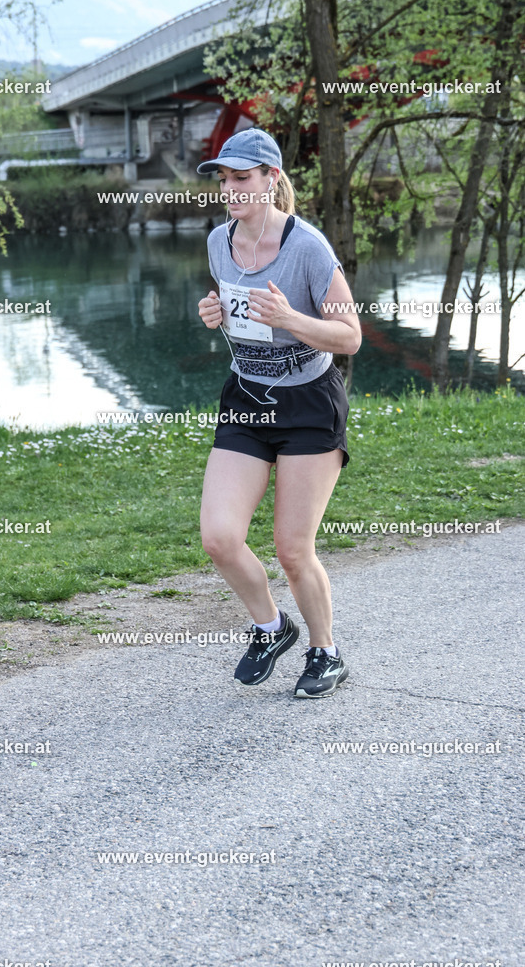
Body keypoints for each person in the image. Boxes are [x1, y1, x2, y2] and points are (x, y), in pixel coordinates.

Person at [196, 127, 361, 698]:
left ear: (272, 180)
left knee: (293, 549)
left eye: (243, 178)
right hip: (246, 399)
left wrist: (292, 320)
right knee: (219, 537)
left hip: (308, 404)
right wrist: (214, 313)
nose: (231, 189)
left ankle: (326, 651)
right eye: (225, 179)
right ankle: (271, 627)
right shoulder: (219, 241)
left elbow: (350, 336)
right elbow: (239, 315)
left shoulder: (309, 248)